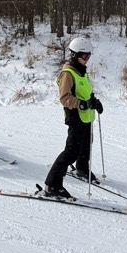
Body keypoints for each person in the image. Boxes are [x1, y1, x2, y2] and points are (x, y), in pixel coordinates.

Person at [44, 37, 104, 198]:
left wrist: (94, 101)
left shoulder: (82, 72)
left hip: (87, 117)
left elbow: (87, 92)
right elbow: (65, 98)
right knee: (71, 152)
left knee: (86, 146)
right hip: (76, 117)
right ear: (75, 55)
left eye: (89, 56)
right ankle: (52, 184)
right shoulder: (67, 73)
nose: (87, 59)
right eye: (85, 56)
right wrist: (81, 104)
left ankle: (82, 169)